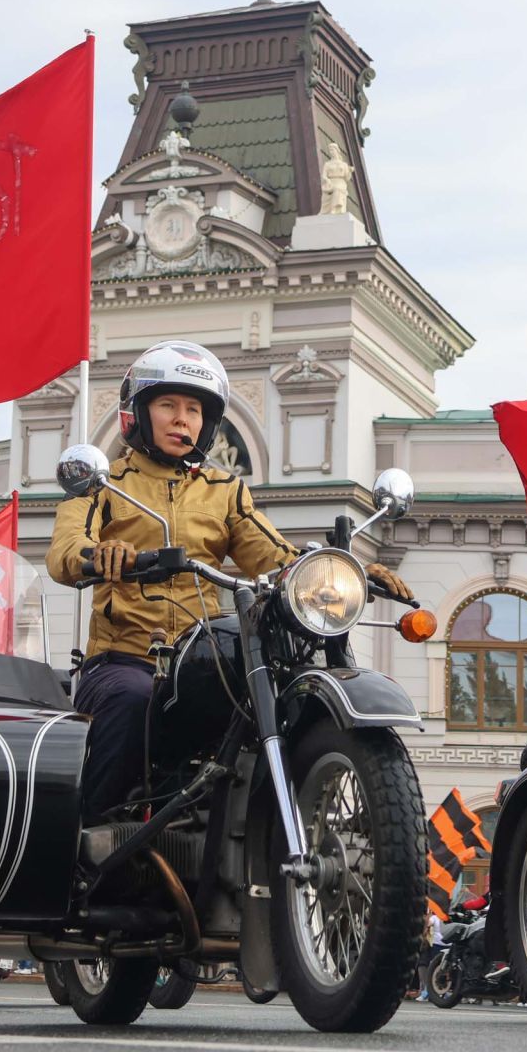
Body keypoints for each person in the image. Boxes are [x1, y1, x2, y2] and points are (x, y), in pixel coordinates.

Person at [46, 341, 414, 817]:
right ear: (137, 412)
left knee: (273, 703)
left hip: (204, 660)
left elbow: (274, 556)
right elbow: (64, 550)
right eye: (168, 405)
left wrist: (342, 571)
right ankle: (93, 841)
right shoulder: (106, 484)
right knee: (132, 700)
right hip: (127, 660)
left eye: (194, 409)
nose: (183, 419)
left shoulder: (225, 492)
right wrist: (100, 553)